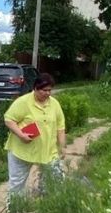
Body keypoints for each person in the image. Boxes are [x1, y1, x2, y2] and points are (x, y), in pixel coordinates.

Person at [4, 73, 66, 203]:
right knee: (17, 185)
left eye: (50, 90)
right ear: (36, 88)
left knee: (53, 180)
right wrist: (21, 135)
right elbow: (9, 119)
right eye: (44, 90)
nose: (48, 93)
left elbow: (60, 126)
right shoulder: (23, 102)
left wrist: (62, 146)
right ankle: (15, 211)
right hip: (22, 151)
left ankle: (47, 207)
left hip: (48, 152)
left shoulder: (54, 104)